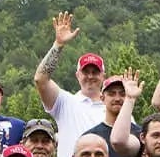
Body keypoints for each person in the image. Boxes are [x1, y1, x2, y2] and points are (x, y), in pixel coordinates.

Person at [33, 12, 116, 141]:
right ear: (77, 75)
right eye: (85, 72)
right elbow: (40, 79)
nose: (90, 76)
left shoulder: (115, 106)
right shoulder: (65, 102)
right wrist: (58, 45)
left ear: (103, 76)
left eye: (95, 72)